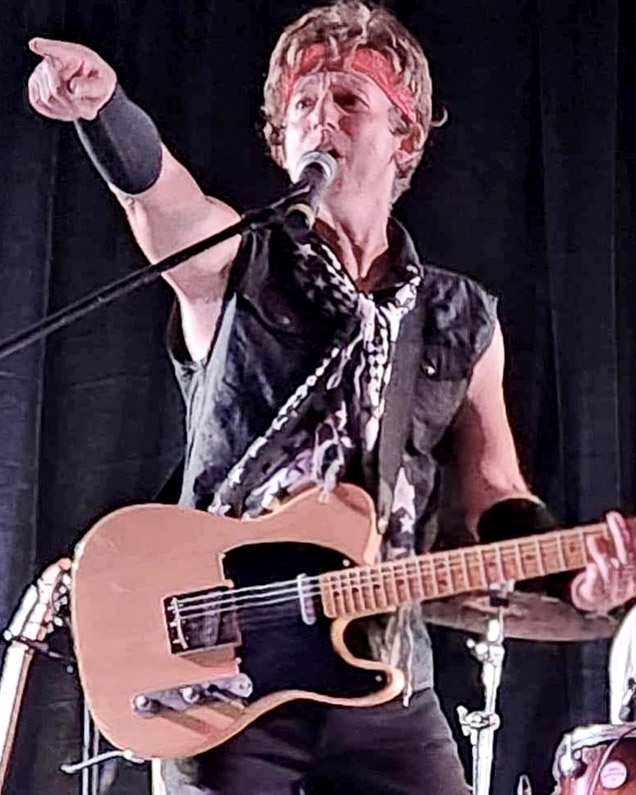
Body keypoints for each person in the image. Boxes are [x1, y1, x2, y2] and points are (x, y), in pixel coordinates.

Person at [26, 3, 636, 793]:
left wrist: (576, 582)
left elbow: (497, 498)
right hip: (225, 669)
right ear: (282, 143)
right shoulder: (237, 267)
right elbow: (160, 202)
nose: (322, 118)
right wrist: (104, 108)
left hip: (383, 669)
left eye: (350, 100)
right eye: (304, 105)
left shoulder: (459, 319)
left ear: (406, 137)